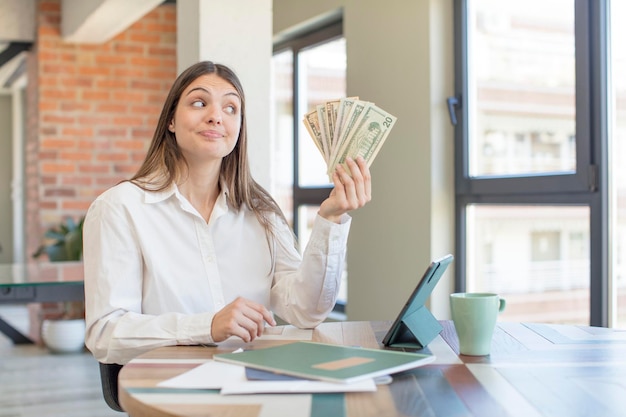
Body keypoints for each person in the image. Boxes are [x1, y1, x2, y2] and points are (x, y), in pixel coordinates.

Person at [83, 61, 372, 365]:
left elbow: (306, 310)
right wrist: (207, 326)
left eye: (231, 108)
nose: (216, 117)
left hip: (254, 378)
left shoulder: (262, 213)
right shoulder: (119, 208)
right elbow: (105, 333)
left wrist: (331, 218)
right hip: (172, 387)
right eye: (199, 102)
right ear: (170, 120)